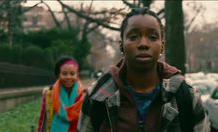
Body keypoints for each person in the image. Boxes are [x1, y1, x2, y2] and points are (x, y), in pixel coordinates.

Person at [77, 7, 210, 132]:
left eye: (152, 37)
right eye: (133, 37)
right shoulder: (97, 96)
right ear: (121, 46)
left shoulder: (187, 97)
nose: (143, 44)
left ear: (162, 47)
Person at [37, 57, 85, 132]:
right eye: (64, 74)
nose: (68, 77)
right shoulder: (49, 93)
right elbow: (43, 119)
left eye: (72, 74)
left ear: (77, 75)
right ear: (59, 75)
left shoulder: (84, 95)